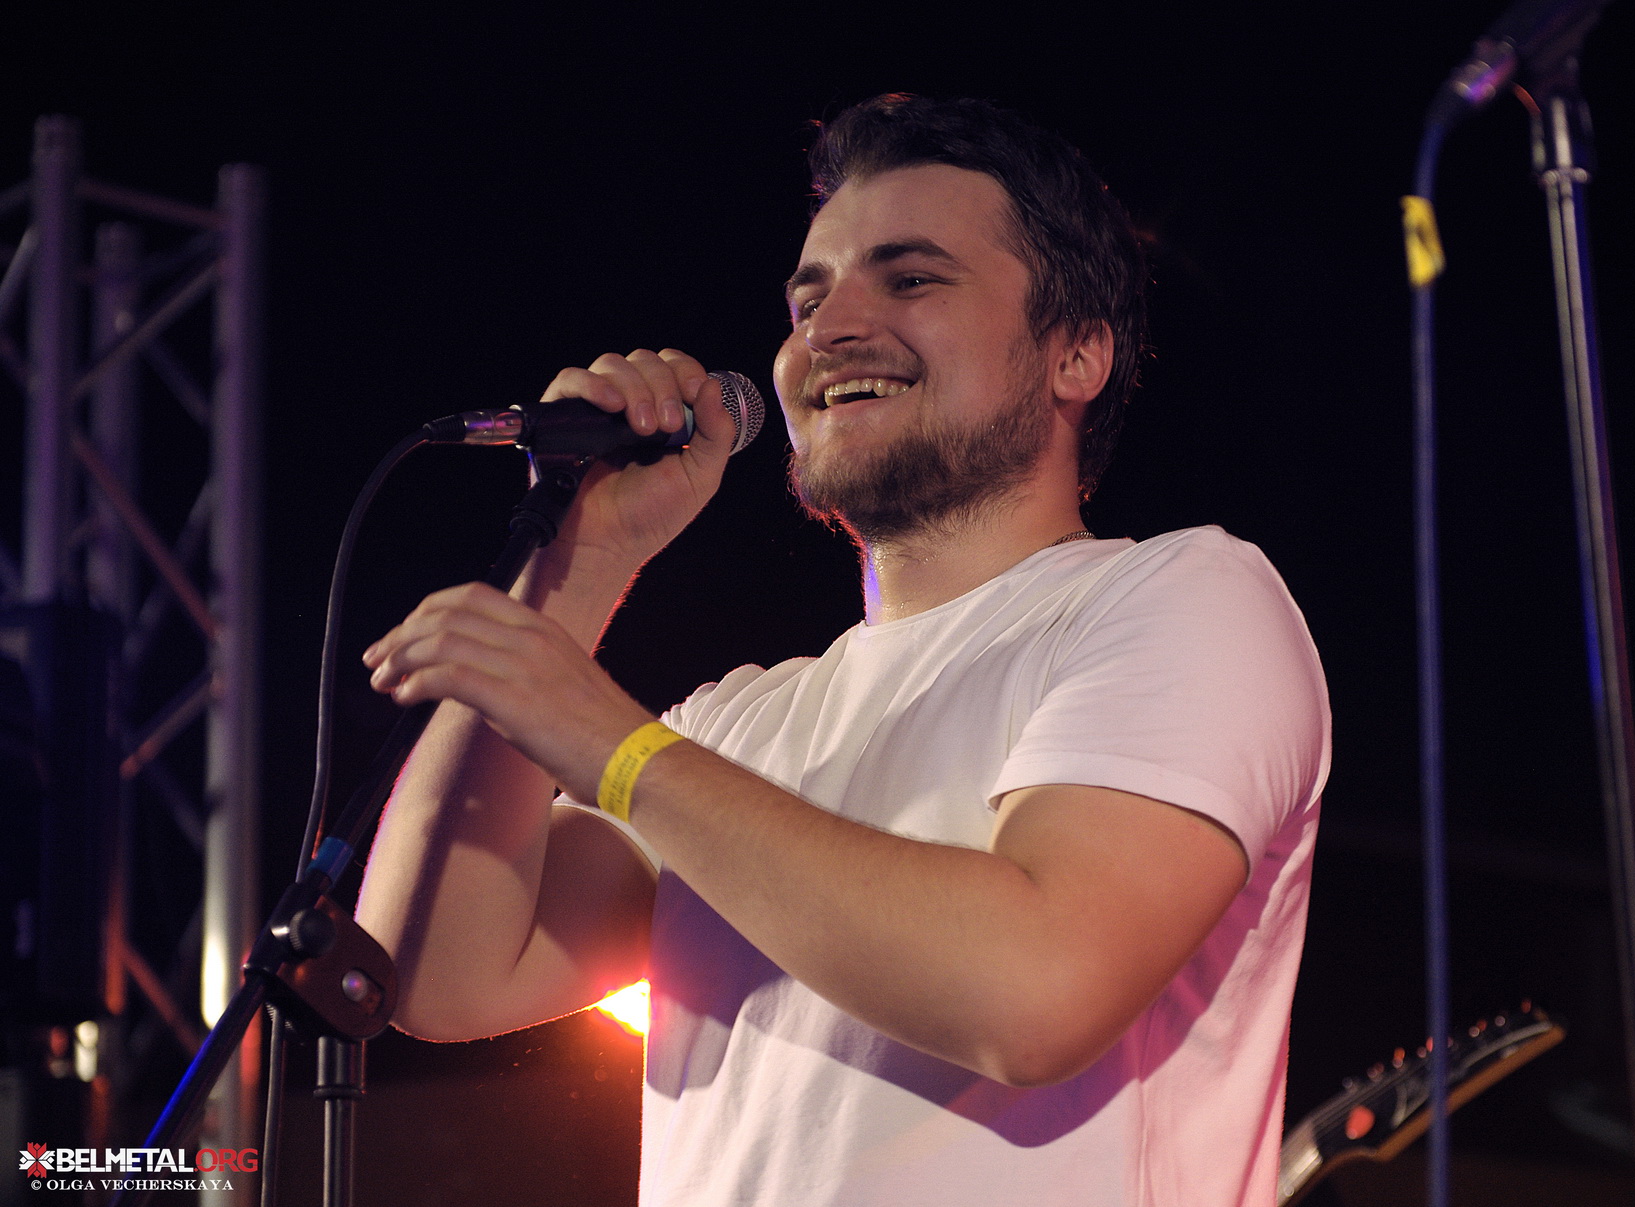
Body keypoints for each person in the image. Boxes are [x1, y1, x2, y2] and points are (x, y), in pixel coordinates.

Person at [355, 94, 1331, 1207]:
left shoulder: (1183, 596)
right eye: (807, 298)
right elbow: (430, 974)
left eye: (909, 279)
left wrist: (605, 740)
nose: (826, 330)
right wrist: (576, 564)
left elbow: (1037, 993)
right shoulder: (729, 726)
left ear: (1076, 353)